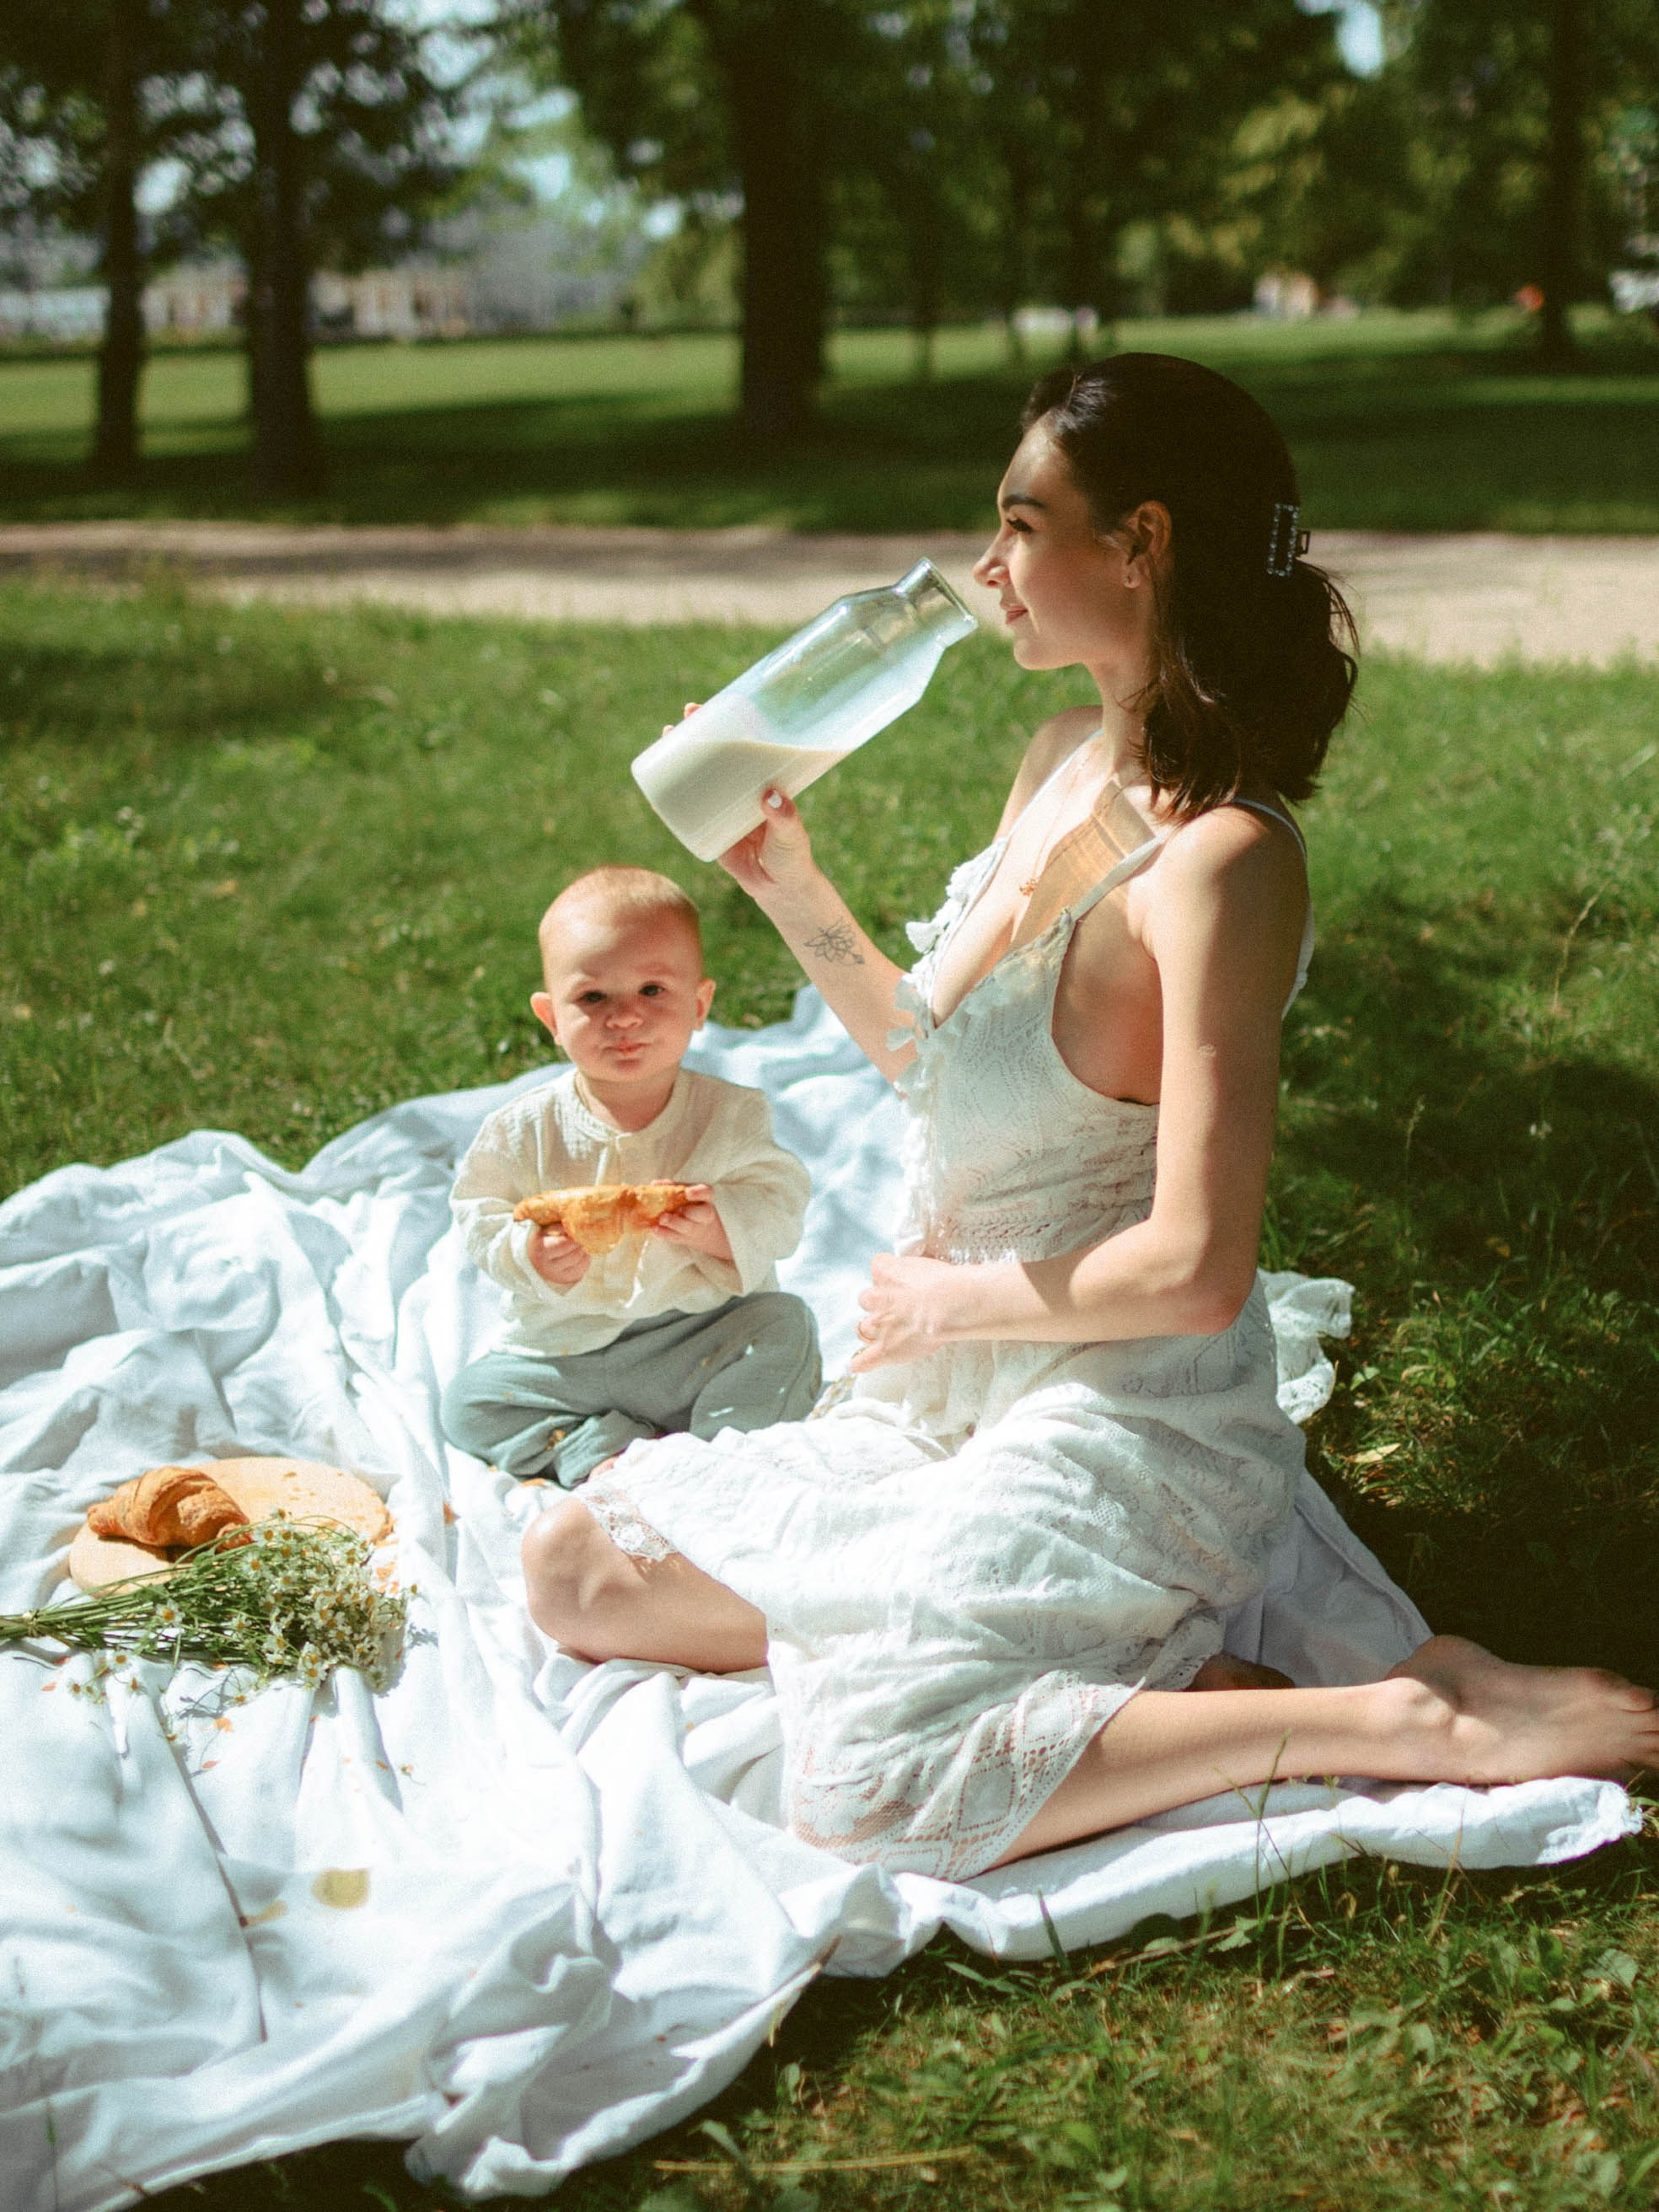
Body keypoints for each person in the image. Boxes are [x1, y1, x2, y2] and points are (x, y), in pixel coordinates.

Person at [519, 357, 1659, 1881]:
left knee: (867, 1773)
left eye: (1017, 521)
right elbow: (933, 1056)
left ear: (1137, 544)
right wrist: (779, 878)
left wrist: (948, 1296)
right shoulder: (1057, 760)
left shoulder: (1226, 865)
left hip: (1123, 1404)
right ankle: (1128, 1666)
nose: (987, 563)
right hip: (949, 1393)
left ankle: (1396, 1713)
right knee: (575, 1564)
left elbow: (1196, 1265)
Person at [443, 866, 820, 1490]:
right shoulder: (522, 1131)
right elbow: (478, 1211)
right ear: (550, 1017)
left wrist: (721, 1225)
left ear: (699, 1006)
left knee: (787, 1327)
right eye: (593, 999)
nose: (624, 1018)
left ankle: (715, 1463)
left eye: (652, 991)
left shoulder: (730, 1115)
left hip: (697, 1338)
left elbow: (781, 1203)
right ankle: (601, 1445)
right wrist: (528, 1253)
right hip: (567, 1355)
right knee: (469, 1404)